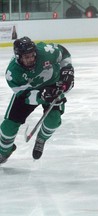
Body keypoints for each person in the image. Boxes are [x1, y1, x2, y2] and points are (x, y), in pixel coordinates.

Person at [0, 36, 74, 164]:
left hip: (52, 87)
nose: (31, 59)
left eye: (32, 55)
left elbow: (64, 53)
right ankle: (4, 151)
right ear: (18, 57)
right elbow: (24, 96)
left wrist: (67, 70)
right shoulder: (12, 73)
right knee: (8, 127)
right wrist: (41, 96)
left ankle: (41, 139)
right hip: (30, 93)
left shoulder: (46, 51)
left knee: (54, 120)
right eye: (26, 57)